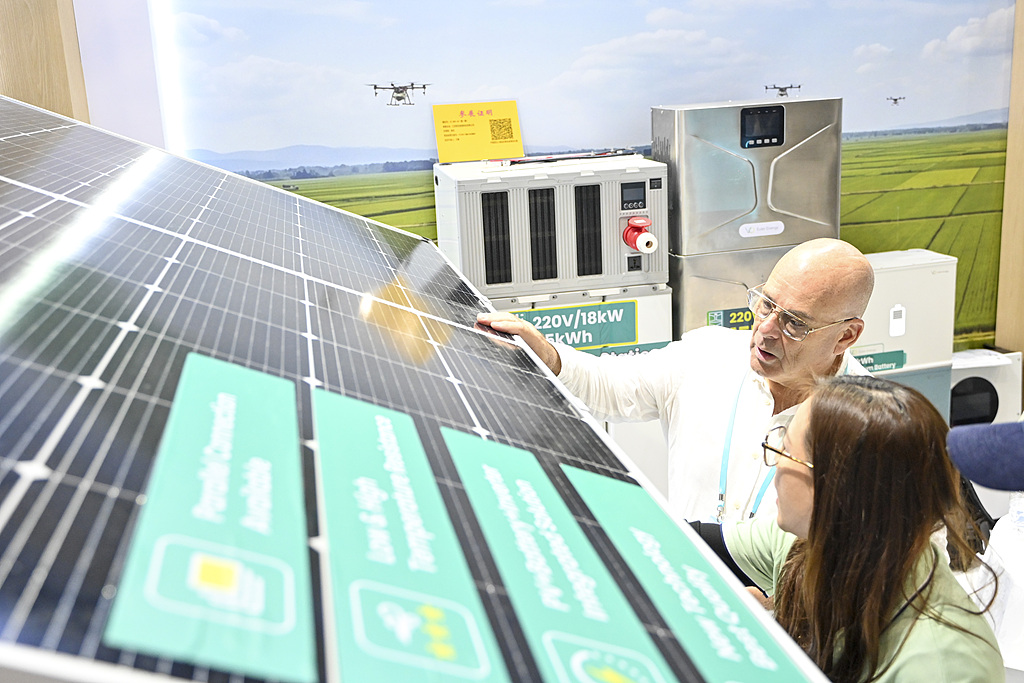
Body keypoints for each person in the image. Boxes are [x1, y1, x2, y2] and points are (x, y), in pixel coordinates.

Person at [477, 237, 875, 522]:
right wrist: (546, 354)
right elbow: (611, 387)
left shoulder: (872, 425)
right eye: (766, 304)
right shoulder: (706, 356)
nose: (766, 329)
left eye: (794, 323)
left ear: (846, 335)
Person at [723, 375, 1003, 683]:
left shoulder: (942, 667)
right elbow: (686, 542)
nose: (774, 465)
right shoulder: (809, 541)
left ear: (840, 489)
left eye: (786, 452)